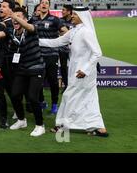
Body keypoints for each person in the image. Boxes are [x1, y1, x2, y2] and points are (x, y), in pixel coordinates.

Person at [39, 7, 108, 137]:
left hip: (82, 73)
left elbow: (97, 53)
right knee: (90, 99)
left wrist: (85, 70)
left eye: (75, 14)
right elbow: (57, 42)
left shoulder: (86, 32)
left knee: (68, 95)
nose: (72, 16)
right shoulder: (75, 31)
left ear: (82, 17)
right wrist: (37, 41)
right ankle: (99, 127)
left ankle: (61, 125)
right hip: (78, 71)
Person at [0, 7, 46, 137]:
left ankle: (40, 125)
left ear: (25, 19)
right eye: (14, 17)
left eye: (19, 17)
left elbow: (29, 27)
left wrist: (13, 16)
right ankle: (21, 120)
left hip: (36, 68)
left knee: (32, 97)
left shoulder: (32, 28)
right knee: (14, 95)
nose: (15, 20)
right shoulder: (11, 31)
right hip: (21, 69)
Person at [30, 0, 68, 114]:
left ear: (49, 6)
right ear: (39, 6)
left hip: (51, 54)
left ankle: (55, 104)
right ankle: (42, 102)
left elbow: (65, 31)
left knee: (53, 81)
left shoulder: (54, 20)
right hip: (37, 54)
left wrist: (61, 38)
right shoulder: (34, 19)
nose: (44, 5)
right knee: (38, 80)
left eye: (47, 3)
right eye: (42, 3)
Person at [59, 4, 74, 91]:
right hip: (62, 48)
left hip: (73, 48)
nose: (62, 11)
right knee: (63, 67)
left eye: (64, 10)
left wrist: (64, 34)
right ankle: (66, 85)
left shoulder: (74, 20)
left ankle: (74, 85)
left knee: (74, 66)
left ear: (69, 12)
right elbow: (58, 33)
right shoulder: (60, 21)